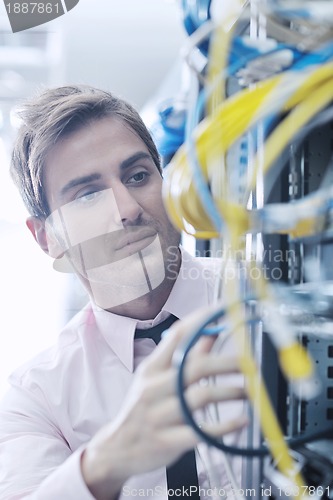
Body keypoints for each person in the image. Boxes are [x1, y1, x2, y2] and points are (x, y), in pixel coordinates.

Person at [0, 85, 246, 499]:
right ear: (47, 238)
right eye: (89, 195)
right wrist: (108, 461)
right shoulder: (36, 397)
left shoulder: (266, 298)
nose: (128, 208)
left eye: (137, 176)